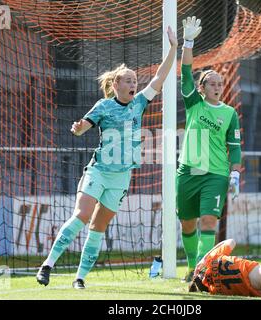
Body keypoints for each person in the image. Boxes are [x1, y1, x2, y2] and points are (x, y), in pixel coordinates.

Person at [36, 27, 178, 289]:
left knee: (99, 226)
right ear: (116, 85)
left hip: (121, 176)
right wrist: (78, 129)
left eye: (135, 80)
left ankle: (79, 278)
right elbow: (83, 128)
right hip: (99, 170)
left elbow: (160, 76)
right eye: (128, 80)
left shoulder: (140, 103)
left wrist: (173, 48)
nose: (134, 83)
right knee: (82, 214)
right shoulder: (104, 106)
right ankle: (47, 265)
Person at [177, 16, 242, 282]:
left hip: (215, 173)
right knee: (187, 223)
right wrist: (188, 42)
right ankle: (193, 266)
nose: (218, 86)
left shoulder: (229, 113)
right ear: (201, 88)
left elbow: (234, 147)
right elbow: (185, 71)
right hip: (188, 172)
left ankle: (202, 275)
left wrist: (235, 173)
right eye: (212, 83)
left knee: (208, 222)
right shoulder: (194, 104)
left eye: (220, 83)